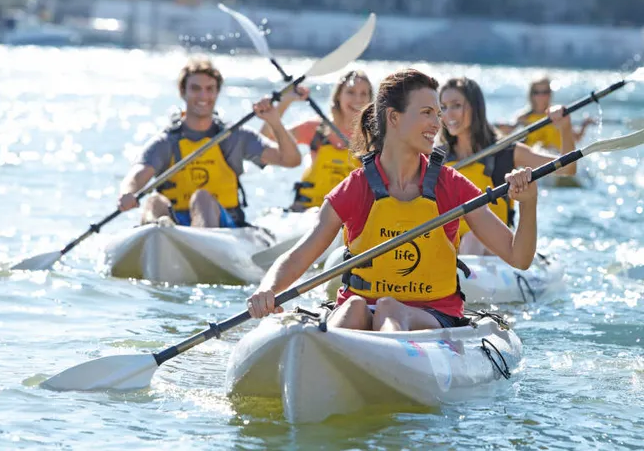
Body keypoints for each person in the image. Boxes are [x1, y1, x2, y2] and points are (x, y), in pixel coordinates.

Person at [246, 69, 538, 331]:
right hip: (360, 312)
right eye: (426, 112)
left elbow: (519, 257)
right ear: (394, 117)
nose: (437, 124)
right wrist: (267, 289)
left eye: (437, 114)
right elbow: (300, 254)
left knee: (389, 306)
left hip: (433, 315)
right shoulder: (356, 187)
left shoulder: (452, 186)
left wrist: (528, 203)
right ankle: (328, 350)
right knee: (354, 306)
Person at [116, 58, 302, 228]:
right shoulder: (166, 141)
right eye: (195, 88)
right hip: (174, 225)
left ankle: (195, 243)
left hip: (224, 226)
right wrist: (128, 192)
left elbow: (290, 160)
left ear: (217, 92)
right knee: (154, 202)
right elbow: (137, 175)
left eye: (209, 89)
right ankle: (159, 234)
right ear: (183, 92)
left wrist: (274, 122)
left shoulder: (235, 136)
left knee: (202, 197)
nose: (203, 96)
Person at [438, 77, 575, 254]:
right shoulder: (437, 158)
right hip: (448, 246)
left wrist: (565, 127)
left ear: (475, 107)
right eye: (443, 107)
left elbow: (568, 169)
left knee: (472, 239)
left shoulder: (505, 151)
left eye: (456, 105)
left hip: (492, 248)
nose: (448, 114)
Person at [261, 70, 373, 211]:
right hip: (308, 212)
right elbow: (263, 140)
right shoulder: (315, 129)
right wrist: (285, 101)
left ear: (370, 99)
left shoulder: (374, 138)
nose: (358, 99)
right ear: (338, 96)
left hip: (350, 216)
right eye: (350, 92)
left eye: (364, 94)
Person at [496, 76, 595, 151]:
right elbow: (506, 133)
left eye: (545, 92)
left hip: (556, 158)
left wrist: (584, 126)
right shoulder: (523, 118)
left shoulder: (558, 114)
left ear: (550, 94)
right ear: (531, 95)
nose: (541, 96)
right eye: (537, 92)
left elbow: (575, 138)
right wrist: (498, 127)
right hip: (534, 161)